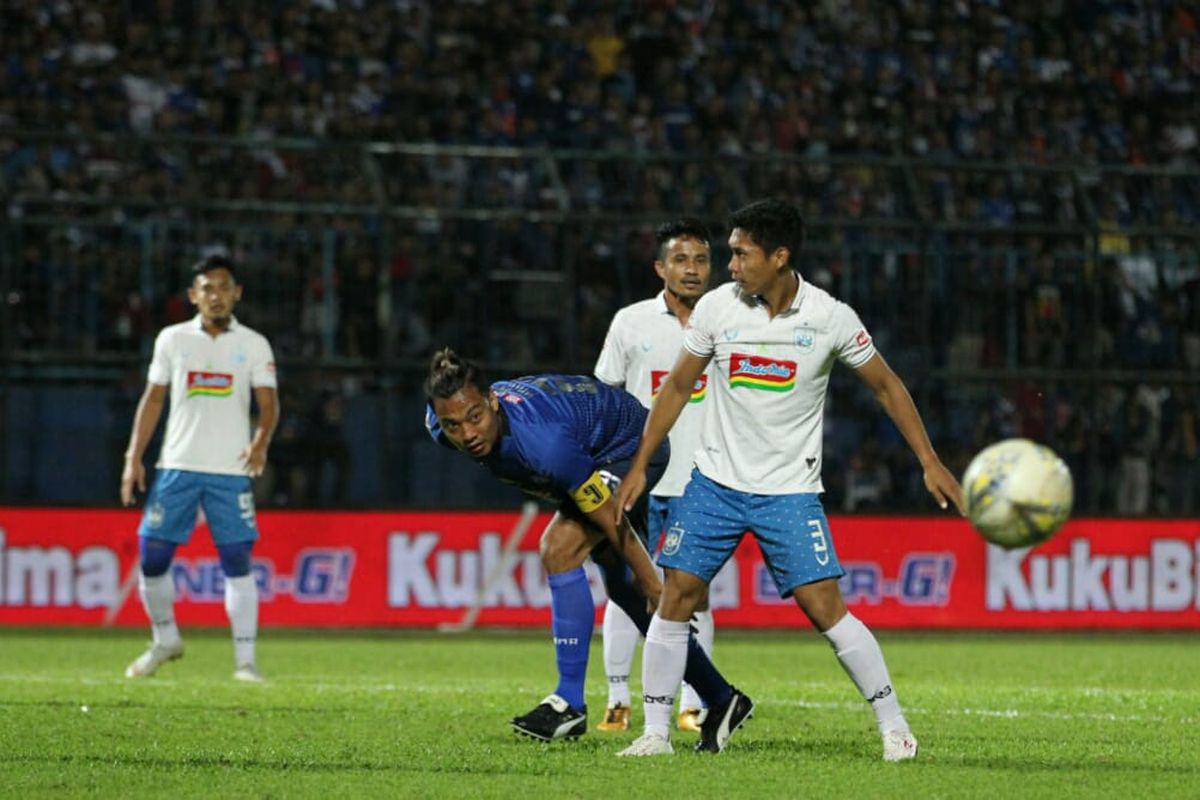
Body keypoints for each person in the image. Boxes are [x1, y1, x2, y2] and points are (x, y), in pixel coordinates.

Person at [615, 199, 964, 759]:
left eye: (740, 253)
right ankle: (655, 733)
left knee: (826, 610)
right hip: (715, 484)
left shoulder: (829, 317)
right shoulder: (716, 310)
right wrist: (637, 467)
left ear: (779, 257)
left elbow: (887, 386)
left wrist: (929, 460)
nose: (729, 266)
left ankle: (894, 726)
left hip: (789, 492)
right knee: (674, 597)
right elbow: (676, 388)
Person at [424, 349, 752, 754]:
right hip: (588, 446)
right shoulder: (440, 424)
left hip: (628, 447)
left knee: (559, 549)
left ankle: (569, 703)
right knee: (626, 595)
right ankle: (721, 698)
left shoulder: (546, 447)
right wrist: (643, 591)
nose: (468, 433)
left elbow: (611, 517)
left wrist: (656, 587)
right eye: (453, 425)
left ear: (492, 401)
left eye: (475, 417)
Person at [120, 255, 279, 682]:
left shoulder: (254, 344)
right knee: (152, 557)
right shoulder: (172, 340)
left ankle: (245, 663)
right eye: (207, 288)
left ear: (237, 293)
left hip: (230, 469)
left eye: (224, 287)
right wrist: (133, 456)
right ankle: (165, 638)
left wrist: (260, 443)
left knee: (237, 560)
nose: (216, 296)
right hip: (178, 464)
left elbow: (268, 404)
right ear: (194, 295)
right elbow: (153, 399)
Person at [592, 218, 716, 734]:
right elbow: (603, 398)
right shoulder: (631, 322)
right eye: (681, 260)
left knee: (694, 593)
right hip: (639, 478)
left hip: (705, 480)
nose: (692, 270)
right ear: (660, 268)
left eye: (701, 260)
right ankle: (618, 698)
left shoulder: (730, 321)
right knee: (629, 589)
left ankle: (693, 702)